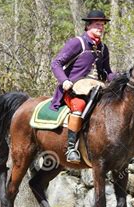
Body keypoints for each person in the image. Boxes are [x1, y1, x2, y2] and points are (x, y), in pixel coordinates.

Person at [50, 10, 116, 163]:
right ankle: (71, 148)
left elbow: (106, 72)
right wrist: (64, 80)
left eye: (102, 25)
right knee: (79, 105)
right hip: (74, 88)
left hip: (96, 88)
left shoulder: (104, 48)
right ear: (88, 26)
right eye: (97, 24)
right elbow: (56, 63)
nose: (100, 27)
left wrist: (123, 76)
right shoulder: (77, 42)